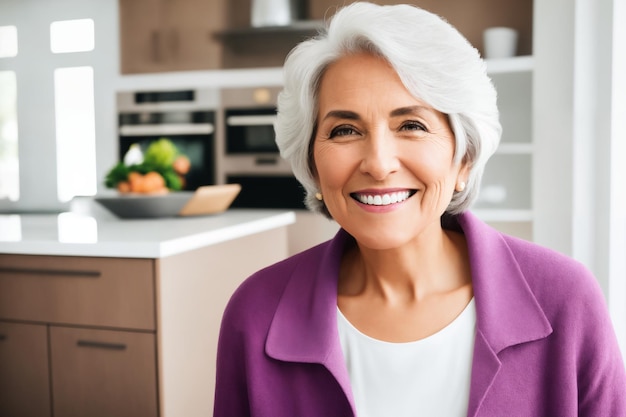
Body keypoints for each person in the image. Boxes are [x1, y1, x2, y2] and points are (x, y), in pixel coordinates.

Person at [213, 2, 626, 416]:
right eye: (345, 130)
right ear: (313, 166)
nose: (378, 162)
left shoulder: (566, 300)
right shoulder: (255, 314)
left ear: (463, 157)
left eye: (411, 125)